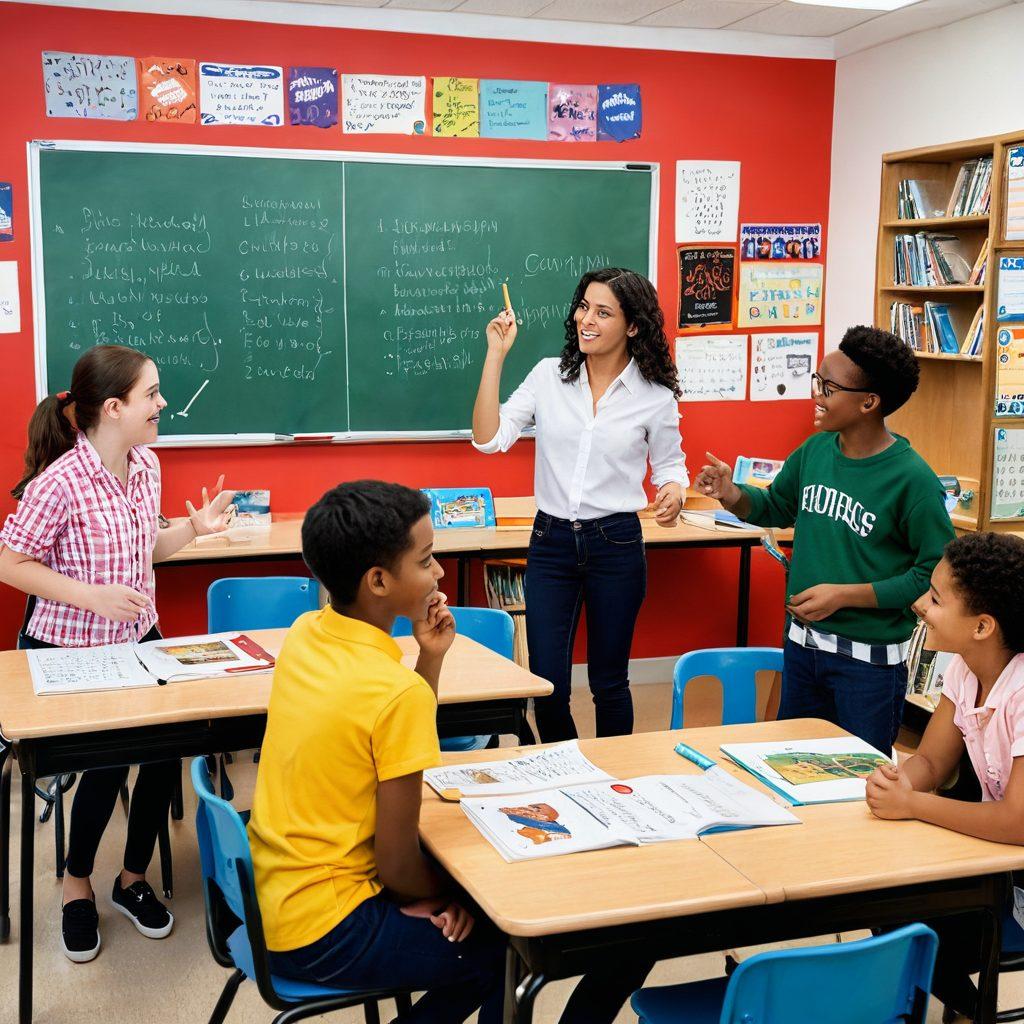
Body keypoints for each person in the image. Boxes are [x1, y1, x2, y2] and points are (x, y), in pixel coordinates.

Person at [249, 480, 653, 1023]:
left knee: (478, 920)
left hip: (272, 893)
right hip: (327, 928)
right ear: (379, 581)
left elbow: (388, 733)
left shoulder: (307, 633)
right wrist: (451, 897)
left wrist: (429, 661)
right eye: (427, 559)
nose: (440, 572)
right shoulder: (393, 694)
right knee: (508, 949)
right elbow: (396, 866)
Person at [0, 344, 234, 963]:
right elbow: (9, 562)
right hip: (70, 644)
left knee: (165, 745)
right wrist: (90, 597)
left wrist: (194, 530)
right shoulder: (61, 481)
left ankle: (131, 879)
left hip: (137, 637)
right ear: (113, 407)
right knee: (109, 759)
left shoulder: (146, 466)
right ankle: (76, 884)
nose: (162, 404)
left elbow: (146, 549)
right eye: (152, 394)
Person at [695, 325, 955, 753]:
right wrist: (730, 492)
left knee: (856, 775)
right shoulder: (815, 451)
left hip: (869, 665)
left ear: (868, 402)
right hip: (802, 647)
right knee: (790, 761)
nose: (815, 394)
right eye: (817, 381)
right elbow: (776, 507)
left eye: (828, 387)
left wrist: (845, 595)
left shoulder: (913, 481)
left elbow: (932, 576)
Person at [471, 268, 688, 742]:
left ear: (633, 326)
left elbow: (671, 466)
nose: (586, 320)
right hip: (551, 544)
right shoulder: (549, 376)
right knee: (547, 686)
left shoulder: (655, 395)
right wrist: (495, 355)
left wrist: (673, 491)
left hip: (616, 543)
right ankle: (565, 772)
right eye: (584, 307)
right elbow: (488, 438)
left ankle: (616, 781)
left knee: (610, 683)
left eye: (603, 312)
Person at [866, 532, 1024, 1023]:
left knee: (911, 927)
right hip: (1004, 866)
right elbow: (933, 762)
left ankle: (974, 1011)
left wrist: (913, 806)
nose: (920, 605)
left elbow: (1018, 823)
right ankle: (966, 1008)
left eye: (935, 598)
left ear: (981, 626)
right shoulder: (964, 668)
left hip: (1014, 875)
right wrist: (899, 783)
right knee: (883, 903)